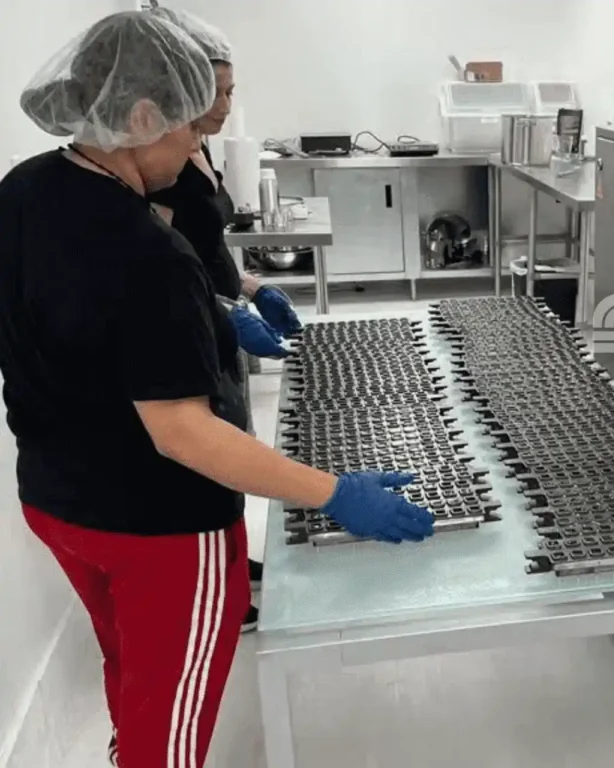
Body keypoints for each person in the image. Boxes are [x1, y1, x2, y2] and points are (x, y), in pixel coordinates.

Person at [0, 12, 433, 768]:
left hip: (55, 499)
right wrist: (333, 492)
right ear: (139, 116)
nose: (198, 144)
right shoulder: (145, 250)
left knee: (134, 673)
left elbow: (72, 324)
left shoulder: (26, 188)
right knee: (172, 722)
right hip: (159, 527)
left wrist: (216, 312)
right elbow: (182, 434)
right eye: (188, 128)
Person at [146, 7, 293, 629]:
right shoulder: (158, 169)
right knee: (213, 450)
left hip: (221, 314)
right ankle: (222, 588)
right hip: (195, 327)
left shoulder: (196, 148)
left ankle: (235, 563)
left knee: (236, 438)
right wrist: (224, 309)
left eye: (232, 89)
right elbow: (165, 270)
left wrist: (252, 286)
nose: (229, 103)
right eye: (219, 89)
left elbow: (206, 251)